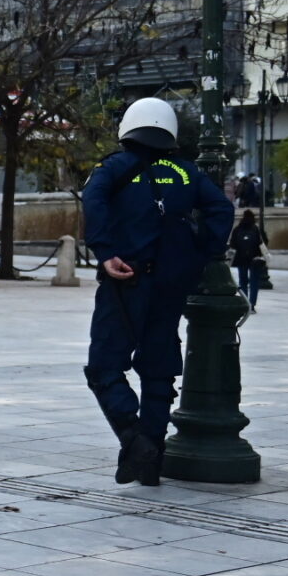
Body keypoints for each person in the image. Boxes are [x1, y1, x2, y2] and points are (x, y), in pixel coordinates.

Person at [81, 96, 233, 487]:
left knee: (104, 366)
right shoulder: (186, 172)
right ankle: (152, 460)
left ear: (128, 128)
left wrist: (105, 252)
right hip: (171, 283)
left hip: (125, 279)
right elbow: (221, 209)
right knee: (158, 368)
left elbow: (93, 200)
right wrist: (201, 254)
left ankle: (135, 441)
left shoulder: (114, 167)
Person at [228, 209, 267, 311]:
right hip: (255, 259)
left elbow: (232, 244)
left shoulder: (237, 229)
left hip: (241, 259)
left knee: (243, 281)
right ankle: (252, 305)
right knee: (254, 282)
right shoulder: (256, 229)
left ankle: (245, 303)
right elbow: (262, 243)